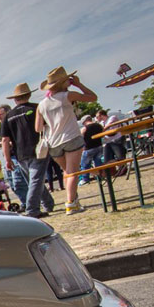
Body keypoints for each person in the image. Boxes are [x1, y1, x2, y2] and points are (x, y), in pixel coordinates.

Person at [36, 67, 97, 215]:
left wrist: (51, 121)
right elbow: (92, 97)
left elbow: (38, 128)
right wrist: (79, 85)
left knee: (67, 172)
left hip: (53, 142)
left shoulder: (42, 105)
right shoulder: (68, 96)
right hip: (70, 137)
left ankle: (74, 201)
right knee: (72, 172)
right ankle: (70, 204)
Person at [0, 81, 56, 218]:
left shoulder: (8, 116)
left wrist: (7, 159)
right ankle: (32, 210)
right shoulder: (37, 108)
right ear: (29, 95)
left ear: (14, 99)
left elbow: (4, 140)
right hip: (38, 149)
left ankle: (48, 203)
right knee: (36, 180)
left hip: (20, 154)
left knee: (34, 181)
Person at [78, 114, 105, 185]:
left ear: (84, 122)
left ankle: (85, 179)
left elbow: (80, 139)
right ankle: (100, 176)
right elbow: (103, 134)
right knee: (98, 163)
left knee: (85, 165)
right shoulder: (99, 126)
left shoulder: (84, 129)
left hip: (88, 149)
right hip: (99, 146)